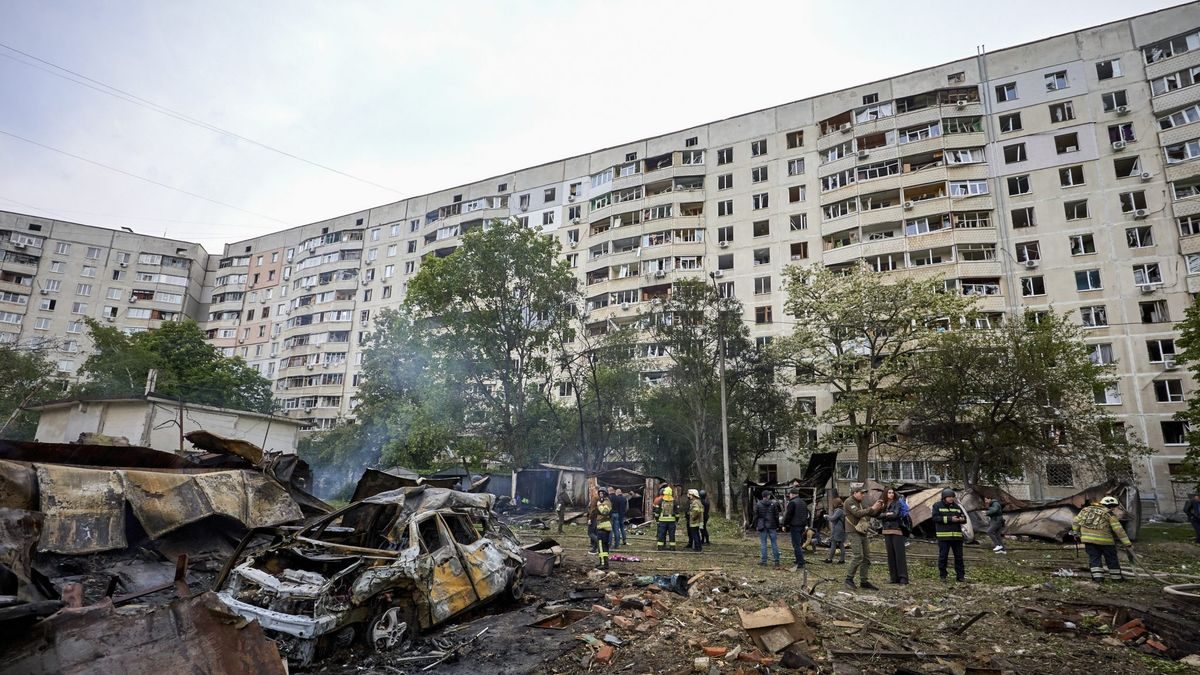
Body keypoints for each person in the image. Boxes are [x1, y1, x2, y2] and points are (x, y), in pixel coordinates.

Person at [1072, 496, 1132, 582]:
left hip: (1088, 540)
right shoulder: (1109, 514)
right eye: (1114, 507)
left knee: (1094, 558)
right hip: (1106, 542)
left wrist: (1076, 533)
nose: (1113, 509)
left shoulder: (1085, 510)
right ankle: (1117, 579)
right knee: (1111, 559)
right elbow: (1119, 530)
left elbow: (1075, 521)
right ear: (1111, 506)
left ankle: (1098, 578)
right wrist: (1127, 543)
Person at [843, 484, 883, 589]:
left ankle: (864, 581)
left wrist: (878, 508)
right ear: (854, 493)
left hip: (862, 532)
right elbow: (857, 513)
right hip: (853, 532)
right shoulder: (849, 501)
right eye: (861, 493)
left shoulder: (860, 503)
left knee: (866, 558)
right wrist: (872, 508)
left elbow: (871, 513)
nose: (863, 495)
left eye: (864, 493)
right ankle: (849, 579)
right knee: (858, 556)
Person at [932, 487, 968, 582]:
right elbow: (935, 518)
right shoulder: (937, 506)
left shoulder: (957, 507)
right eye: (949, 497)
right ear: (944, 498)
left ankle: (960, 576)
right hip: (944, 537)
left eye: (952, 497)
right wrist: (950, 519)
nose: (951, 499)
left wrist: (961, 520)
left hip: (956, 537)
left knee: (959, 557)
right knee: (943, 557)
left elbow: (964, 519)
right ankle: (943, 575)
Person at [879, 487, 909, 585]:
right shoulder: (883, 504)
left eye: (892, 492)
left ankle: (903, 577)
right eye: (889, 492)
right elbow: (877, 515)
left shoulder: (897, 503)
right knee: (890, 555)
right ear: (885, 494)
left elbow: (895, 515)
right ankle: (893, 578)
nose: (891, 494)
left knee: (899, 555)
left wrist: (885, 515)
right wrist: (887, 514)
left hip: (897, 530)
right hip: (887, 531)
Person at [783, 488, 809, 570]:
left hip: (795, 526)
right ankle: (799, 559)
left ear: (792, 494)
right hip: (802, 525)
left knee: (796, 545)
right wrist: (805, 524)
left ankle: (800, 562)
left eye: (790, 494)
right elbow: (807, 514)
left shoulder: (792, 503)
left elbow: (789, 515)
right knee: (799, 543)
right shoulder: (803, 502)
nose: (789, 496)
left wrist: (784, 524)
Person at [754, 489, 782, 567]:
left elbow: (756, 516)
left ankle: (764, 561)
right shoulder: (773, 504)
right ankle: (777, 561)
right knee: (774, 543)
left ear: (763, 496)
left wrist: (756, 525)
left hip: (762, 526)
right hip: (772, 526)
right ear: (768, 496)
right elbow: (776, 516)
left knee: (763, 544)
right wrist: (777, 525)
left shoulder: (758, 504)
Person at [653, 485, 678, 551]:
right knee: (672, 534)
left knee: (661, 534)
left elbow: (657, 511)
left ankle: (660, 547)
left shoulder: (661, 501)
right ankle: (672, 547)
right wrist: (676, 520)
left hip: (662, 521)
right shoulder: (674, 501)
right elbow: (677, 513)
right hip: (672, 521)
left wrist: (657, 519)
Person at [594, 489, 613, 569]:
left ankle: (603, 564)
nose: (600, 495)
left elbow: (605, 512)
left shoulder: (606, 502)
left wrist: (599, 505)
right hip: (602, 527)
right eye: (599, 493)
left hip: (603, 528)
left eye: (602, 493)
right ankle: (605, 563)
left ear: (605, 494)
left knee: (601, 547)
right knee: (604, 547)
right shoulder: (604, 502)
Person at [824, 498, 847, 564]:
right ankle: (842, 560)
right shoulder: (843, 509)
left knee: (833, 544)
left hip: (837, 530)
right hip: (842, 529)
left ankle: (829, 559)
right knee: (841, 544)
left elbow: (832, 518)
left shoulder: (839, 511)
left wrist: (826, 516)